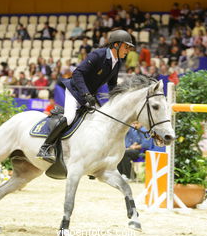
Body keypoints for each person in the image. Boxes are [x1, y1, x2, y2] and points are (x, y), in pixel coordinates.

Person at [36, 29, 134, 163]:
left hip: (90, 95)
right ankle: (45, 147)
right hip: (75, 91)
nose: (128, 50)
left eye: (129, 47)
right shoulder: (98, 55)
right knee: (69, 118)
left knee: (102, 119)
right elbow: (77, 74)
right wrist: (85, 93)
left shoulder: (117, 62)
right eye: (126, 46)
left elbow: (112, 84)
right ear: (116, 45)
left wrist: (117, 99)